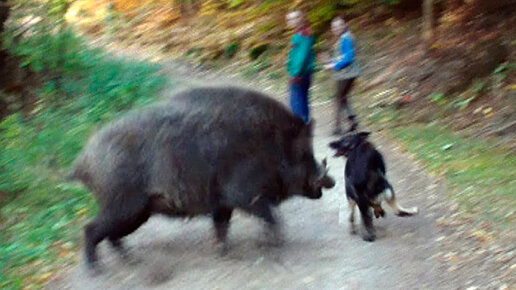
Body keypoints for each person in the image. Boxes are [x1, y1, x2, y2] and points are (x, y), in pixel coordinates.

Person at [324, 16, 360, 135]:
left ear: (345, 25)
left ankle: (337, 127)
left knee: (339, 99)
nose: (337, 28)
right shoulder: (344, 38)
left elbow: (348, 58)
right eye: (334, 26)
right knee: (342, 98)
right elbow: (343, 56)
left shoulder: (346, 38)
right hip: (348, 73)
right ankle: (352, 119)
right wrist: (332, 62)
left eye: (339, 25)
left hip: (346, 74)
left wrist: (333, 66)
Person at [286, 10, 315, 124]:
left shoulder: (300, 36)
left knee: (296, 101)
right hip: (306, 72)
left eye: (293, 18)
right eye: (289, 19)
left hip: (299, 74)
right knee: (303, 100)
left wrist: (294, 74)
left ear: (301, 18)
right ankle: (305, 123)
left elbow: (301, 57)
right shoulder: (307, 32)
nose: (290, 21)